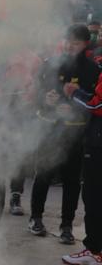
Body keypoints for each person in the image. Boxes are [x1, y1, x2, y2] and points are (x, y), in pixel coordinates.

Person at [29, 25, 100, 244]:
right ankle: (36, 218)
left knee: (71, 181)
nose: (70, 46)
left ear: (85, 44)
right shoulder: (50, 64)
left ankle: (67, 225)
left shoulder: (92, 69)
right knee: (43, 174)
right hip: (50, 128)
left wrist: (74, 107)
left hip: (75, 131)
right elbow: (36, 94)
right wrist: (47, 100)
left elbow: (93, 101)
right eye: (68, 41)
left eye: (76, 43)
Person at [63, 64, 102, 265]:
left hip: (98, 144)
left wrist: (74, 93)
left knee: (94, 196)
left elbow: (97, 105)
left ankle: (94, 251)